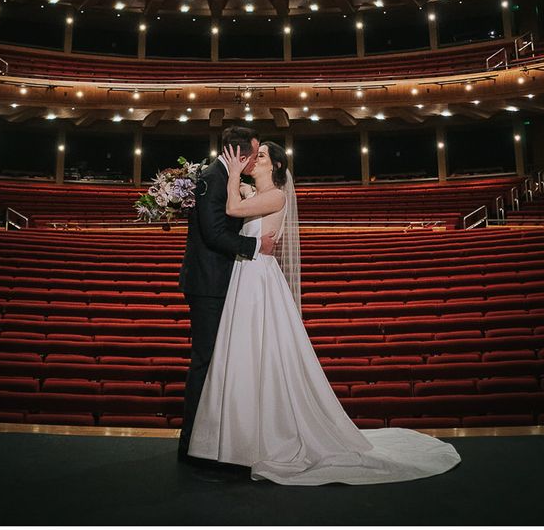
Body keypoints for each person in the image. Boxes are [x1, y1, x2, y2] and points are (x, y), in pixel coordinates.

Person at [187, 140, 461, 486]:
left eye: (260, 157)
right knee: (244, 354)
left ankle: (266, 436)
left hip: (258, 278)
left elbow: (231, 210)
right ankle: (240, 438)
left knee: (262, 352)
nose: (252, 161)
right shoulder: (253, 191)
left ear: (274, 166)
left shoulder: (275, 197)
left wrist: (230, 178)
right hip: (246, 274)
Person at [178, 124, 275, 465]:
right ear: (240, 154)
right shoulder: (214, 177)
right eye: (252, 155)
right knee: (205, 362)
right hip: (208, 284)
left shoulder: (224, 176)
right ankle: (191, 443)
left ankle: (212, 440)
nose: (253, 163)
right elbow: (214, 232)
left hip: (219, 282)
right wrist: (255, 246)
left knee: (218, 362)